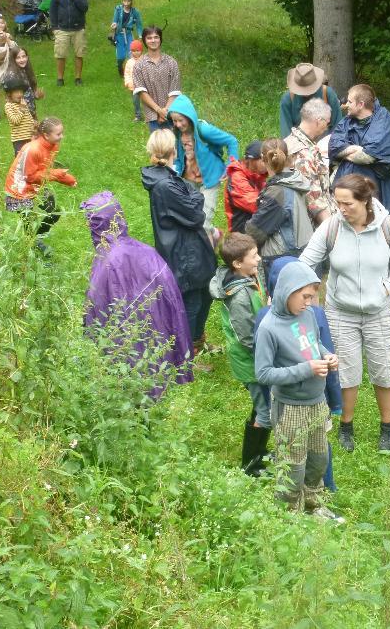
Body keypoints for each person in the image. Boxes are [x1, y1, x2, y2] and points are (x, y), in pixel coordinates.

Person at [299, 173, 390, 454]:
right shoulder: (331, 227)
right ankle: (346, 426)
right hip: (340, 312)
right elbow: (306, 262)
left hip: (381, 312)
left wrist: (387, 288)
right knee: (345, 371)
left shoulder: (389, 227)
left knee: (385, 370)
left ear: (366, 201)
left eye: (348, 203)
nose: (342, 209)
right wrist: (300, 288)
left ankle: (387, 427)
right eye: (338, 203)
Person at [254, 260, 344, 522]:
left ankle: (314, 506)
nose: (309, 302)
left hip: (317, 401)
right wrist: (306, 369)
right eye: (305, 296)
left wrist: (328, 356)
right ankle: (289, 515)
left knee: (318, 457)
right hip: (290, 407)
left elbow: (314, 343)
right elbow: (263, 373)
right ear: (287, 291)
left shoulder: (308, 315)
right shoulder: (269, 328)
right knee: (293, 465)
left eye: (312, 296)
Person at [81, 190, 193, 399]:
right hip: (154, 330)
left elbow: (95, 310)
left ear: (97, 225)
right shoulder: (146, 251)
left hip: (126, 343)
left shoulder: (105, 262)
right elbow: (171, 298)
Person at [141, 129, 217, 362]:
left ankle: (197, 342)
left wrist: (190, 189)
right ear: (174, 150)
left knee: (205, 295)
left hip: (190, 247)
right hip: (183, 253)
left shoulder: (167, 177)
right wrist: (195, 191)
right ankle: (185, 358)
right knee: (192, 302)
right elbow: (196, 214)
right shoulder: (165, 184)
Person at [208, 233, 267, 472]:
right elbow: (246, 337)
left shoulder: (250, 275)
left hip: (258, 358)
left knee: (261, 406)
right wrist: (269, 358)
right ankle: (251, 464)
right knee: (264, 411)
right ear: (237, 264)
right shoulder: (240, 295)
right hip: (251, 361)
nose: (259, 259)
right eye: (254, 256)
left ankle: (259, 452)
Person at [329, 84, 390, 227]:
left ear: (361, 104)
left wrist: (346, 153)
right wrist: (354, 149)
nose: (346, 105)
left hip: (379, 186)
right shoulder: (347, 121)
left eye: (350, 102)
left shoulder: (385, 121)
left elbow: (369, 155)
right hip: (347, 183)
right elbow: (334, 147)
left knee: (376, 224)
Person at [166, 93, 240, 242]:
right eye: (175, 121)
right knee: (190, 217)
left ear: (189, 116)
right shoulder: (178, 134)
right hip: (189, 179)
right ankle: (215, 234)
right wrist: (174, 170)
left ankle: (208, 260)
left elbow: (232, 141)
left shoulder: (203, 130)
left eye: (181, 120)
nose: (178, 124)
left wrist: (231, 164)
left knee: (203, 222)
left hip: (209, 179)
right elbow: (181, 158)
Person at [4, 117, 76, 256]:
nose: (62, 136)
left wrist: (66, 179)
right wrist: (59, 174)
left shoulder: (53, 145)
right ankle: (31, 246)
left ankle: (36, 239)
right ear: (46, 135)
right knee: (28, 219)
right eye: (58, 134)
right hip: (19, 189)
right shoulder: (33, 149)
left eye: (62, 133)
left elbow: (44, 169)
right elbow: (30, 177)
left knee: (53, 211)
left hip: (36, 185)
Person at [245, 139, 316, 279]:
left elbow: (255, 231)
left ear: (264, 159)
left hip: (282, 259)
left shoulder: (277, 191)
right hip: (304, 251)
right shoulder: (296, 179)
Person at [284, 98, 338, 225]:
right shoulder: (303, 153)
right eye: (327, 123)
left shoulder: (289, 142)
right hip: (312, 227)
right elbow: (314, 199)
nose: (326, 128)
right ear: (319, 121)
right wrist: (330, 229)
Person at [133, 25, 182, 132]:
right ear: (145, 41)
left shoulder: (171, 62)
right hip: (152, 116)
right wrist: (158, 110)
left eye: (156, 37)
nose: (153, 40)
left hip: (173, 114)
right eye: (149, 38)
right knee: (158, 147)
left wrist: (165, 112)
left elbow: (175, 90)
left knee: (175, 147)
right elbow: (141, 92)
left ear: (160, 39)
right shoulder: (139, 65)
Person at [278, 62, 343, 139]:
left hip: (326, 143)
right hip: (298, 144)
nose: (305, 93)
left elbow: (338, 126)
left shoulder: (328, 93)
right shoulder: (288, 99)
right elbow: (286, 133)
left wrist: (330, 145)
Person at [48, 0, 88, 86]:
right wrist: (55, 28)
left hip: (78, 29)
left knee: (79, 54)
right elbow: (52, 11)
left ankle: (78, 78)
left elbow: (84, 8)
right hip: (62, 29)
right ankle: (60, 79)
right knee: (60, 55)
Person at [224, 140, 268, 233]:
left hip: (255, 229)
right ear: (252, 161)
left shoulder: (257, 175)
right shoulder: (237, 179)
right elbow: (258, 206)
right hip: (241, 236)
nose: (268, 163)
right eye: (264, 160)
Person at [109, 0, 143, 78]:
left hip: (128, 34)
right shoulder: (118, 9)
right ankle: (120, 66)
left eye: (128, 1)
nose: (126, 3)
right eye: (125, 1)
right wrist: (114, 24)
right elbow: (115, 20)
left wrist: (140, 35)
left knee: (131, 53)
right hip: (119, 34)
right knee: (121, 56)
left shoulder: (135, 12)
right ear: (122, 1)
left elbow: (139, 24)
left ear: (131, 1)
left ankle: (131, 72)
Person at [7, 47, 44, 119]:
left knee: (36, 129)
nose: (22, 60)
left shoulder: (26, 70)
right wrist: (21, 109)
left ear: (27, 57)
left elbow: (30, 92)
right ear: (13, 60)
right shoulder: (12, 75)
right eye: (18, 58)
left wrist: (37, 95)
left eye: (24, 56)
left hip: (31, 111)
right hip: (20, 113)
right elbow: (11, 97)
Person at [2, 78, 35, 155]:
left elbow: (28, 118)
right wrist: (22, 109)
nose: (20, 94)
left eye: (21, 92)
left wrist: (34, 124)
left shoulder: (22, 104)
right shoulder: (8, 106)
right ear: (10, 94)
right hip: (19, 139)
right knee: (21, 159)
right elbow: (15, 121)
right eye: (16, 92)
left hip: (30, 136)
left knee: (31, 157)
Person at [123, 39, 144, 122]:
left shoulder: (144, 60)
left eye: (137, 50)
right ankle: (138, 115)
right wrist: (127, 82)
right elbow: (127, 74)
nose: (135, 52)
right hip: (133, 87)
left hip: (143, 86)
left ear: (141, 51)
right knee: (136, 102)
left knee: (146, 101)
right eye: (133, 51)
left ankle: (149, 115)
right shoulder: (129, 62)